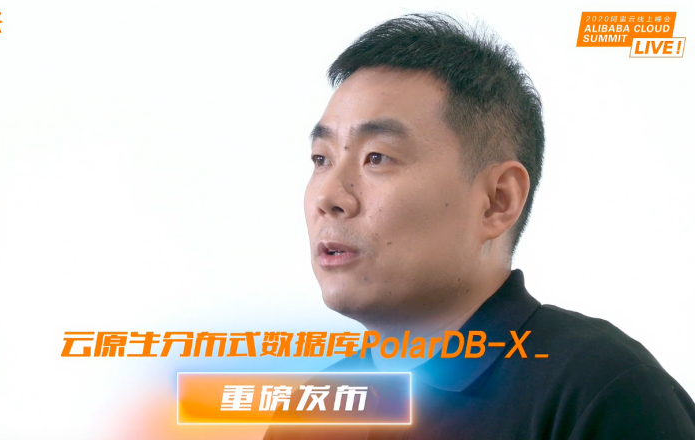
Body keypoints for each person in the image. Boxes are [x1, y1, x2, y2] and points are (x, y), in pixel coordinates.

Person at [264, 12, 695, 440]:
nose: (328, 197)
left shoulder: (602, 391)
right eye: (321, 159)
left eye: (377, 157)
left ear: (496, 201)